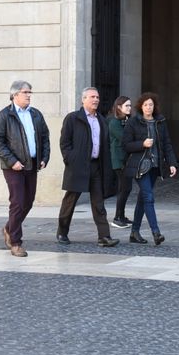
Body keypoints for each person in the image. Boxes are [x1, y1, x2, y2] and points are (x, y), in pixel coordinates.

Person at [0, 80, 49, 257]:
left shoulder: (36, 114)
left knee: (28, 201)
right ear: (15, 95)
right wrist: (11, 161)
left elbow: (45, 137)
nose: (29, 95)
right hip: (13, 167)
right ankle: (15, 242)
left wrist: (44, 157)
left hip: (32, 164)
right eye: (25, 92)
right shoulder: (4, 116)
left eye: (30, 92)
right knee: (18, 202)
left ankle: (9, 228)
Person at [57, 87, 120, 247]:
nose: (96, 100)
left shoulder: (101, 120)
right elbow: (64, 143)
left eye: (97, 97)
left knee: (98, 202)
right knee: (70, 201)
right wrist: (71, 159)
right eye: (92, 97)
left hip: (96, 166)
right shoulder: (73, 118)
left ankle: (104, 236)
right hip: (78, 165)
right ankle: (62, 232)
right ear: (83, 100)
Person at [122, 92, 177, 245]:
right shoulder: (133, 122)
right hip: (140, 165)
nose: (148, 107)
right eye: (145, 105)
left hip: (155, 165)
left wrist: (172, 163)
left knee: (143, 198)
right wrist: (142, 144)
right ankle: (156, 232)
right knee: (149, 197)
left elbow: (167, 143)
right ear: (141, 106)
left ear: (154, 106)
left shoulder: (160, 121)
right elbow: (125, 145)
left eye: (151, 105)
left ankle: (134, 232)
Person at [107, 96, 133, 229]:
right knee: (124, 188)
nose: (129, 108)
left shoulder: (126, 120)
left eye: (130, 105)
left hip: (126, 160)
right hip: (119, 160)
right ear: (119, 107)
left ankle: (121, 215)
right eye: (126, 106)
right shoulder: (115, 122)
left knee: (126, 188)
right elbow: (125, 139)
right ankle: (117, 217)